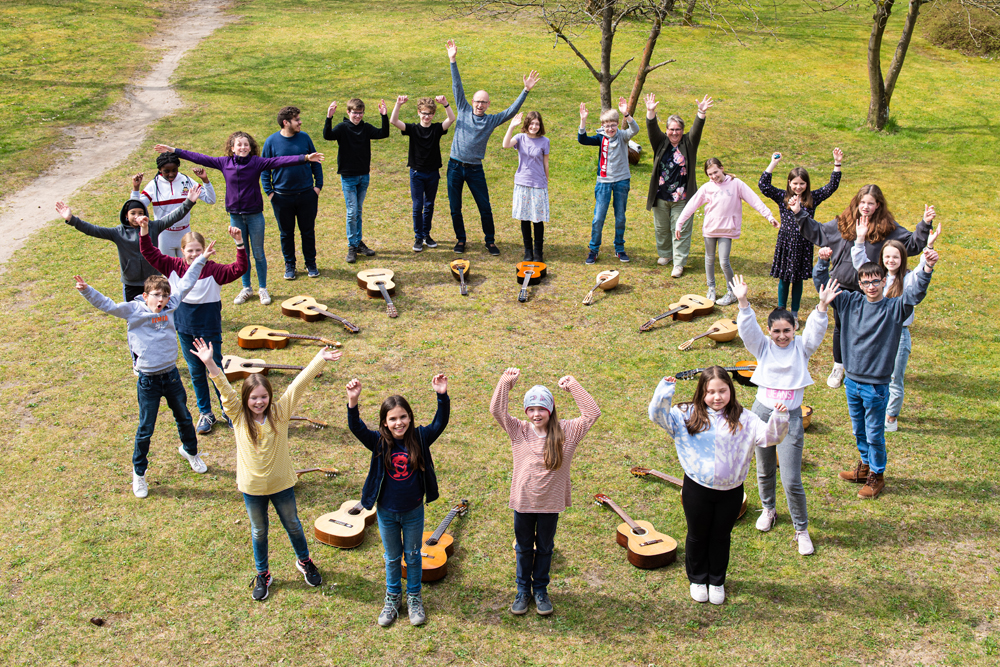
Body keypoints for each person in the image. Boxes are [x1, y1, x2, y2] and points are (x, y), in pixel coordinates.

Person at [802, 189, 941, 498]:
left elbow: (915, 292)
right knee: (859, 430)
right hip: (852, 380)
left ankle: (877, 475)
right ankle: (864, 465)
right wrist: (822, 264)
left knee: (876, 433)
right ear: (860, 283)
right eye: (865, 281)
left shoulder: (895, 307)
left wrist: (928, 266)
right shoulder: (850, 301)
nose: (870, 285)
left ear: (884, 281)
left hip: (876, 385)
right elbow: (825, 287)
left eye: (876, 281)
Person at [195, 339, 342, 601]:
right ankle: (263, 574)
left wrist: (319, 359)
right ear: (245, 399)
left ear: (270, 397)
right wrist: (209, 363)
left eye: (264, 397)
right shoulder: (238, 415)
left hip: (282, 484)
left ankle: (304, 561)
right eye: (254, 398)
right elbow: (224, 389)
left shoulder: (280, 412)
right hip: (252, 489)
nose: (259, 402)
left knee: (294, 526)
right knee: (259, 531)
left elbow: (297, 386)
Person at [74, 246, 211, 499]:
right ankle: (139, 474)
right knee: (146, 428)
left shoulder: (171, 303)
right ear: (145, 295)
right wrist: (87, 291)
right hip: (148, 380)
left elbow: (187, 283)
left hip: (171, 375)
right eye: (157, 295)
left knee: (184, 418)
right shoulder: (133, 311)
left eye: (165, 296)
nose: (162, 300)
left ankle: (190, 451)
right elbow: (107, 305)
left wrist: (201, 259)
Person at [649, 368, 788, 605]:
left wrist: (779, 417)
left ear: (731, 391)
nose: (717, 397)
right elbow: (657, 416)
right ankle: (697, 579)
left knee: (721, 536)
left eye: (722, 391)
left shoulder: (746, 418)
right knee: (697, 535)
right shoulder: (685, 414)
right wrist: (665, 390)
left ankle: (716, 581)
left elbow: (770, 438)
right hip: (697, 488)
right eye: (710, 392)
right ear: (701, 393)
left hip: (731, 491)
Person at [732, 274, 838, 555]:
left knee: (791, 478)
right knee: (764, 469)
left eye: (786, 331)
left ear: (795, 329)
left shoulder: (802, 347)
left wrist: (822, 308)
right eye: (776, 331)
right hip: (763, 413)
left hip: (790, 417)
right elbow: (748, 331)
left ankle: (801, 529)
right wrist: (743, 301)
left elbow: (816, 332)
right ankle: (769, 510)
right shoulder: (763, 347)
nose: (781, 336)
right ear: (769, 331)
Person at [152, 135, 324, 306]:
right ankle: (246, 288)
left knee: (258, 253)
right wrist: (174, 150)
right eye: (239, 145)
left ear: (250, 147)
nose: (243, 147)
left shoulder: (257, 162)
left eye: (246, 145)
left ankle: (262, 288)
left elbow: (281, 161)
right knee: (243, 253)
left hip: (255, 215)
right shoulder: (224, 163)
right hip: (235, 216)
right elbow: (199, 157)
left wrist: (306, 157)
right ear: (232, 148)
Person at [795, 185, 933, 388]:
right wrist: (799, 214)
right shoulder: (844, 223)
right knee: (841, 327)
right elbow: (818, 231)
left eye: (870, 203)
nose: (866, 207)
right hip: (840, 286)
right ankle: (839, 365)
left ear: (878, 205)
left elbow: (911, 244)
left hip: (868, 288)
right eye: (862, 203)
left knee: (863, 329)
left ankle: (865, 366)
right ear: (856, 203)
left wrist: (925, 224)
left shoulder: (888, 228)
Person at [490, 368, 600, 616]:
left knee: (545, 548)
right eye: (531, 409)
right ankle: (522, 590)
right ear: (526, 411)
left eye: (541, 409)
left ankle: (540, 590)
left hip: (551, 504)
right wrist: (505, 383)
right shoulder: (519, 431)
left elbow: (592, 413)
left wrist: (573, 385)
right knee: (523, 547)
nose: (536, 414)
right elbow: (497, 410)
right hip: (524, 503)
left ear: (550, 410)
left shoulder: (567, 432)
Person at [346, 374, 450, 627]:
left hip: (413, 511)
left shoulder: (420, 438)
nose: (399, 422)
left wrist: (442, 395)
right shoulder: (379, 442)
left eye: (403, 417)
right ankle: (393, 598)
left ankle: (414, 597)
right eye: (392, 419)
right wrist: (353, 400)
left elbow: (440, 423)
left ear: (411, 418)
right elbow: (356, 428)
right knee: (392, 558)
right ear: (384, 422)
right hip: (387, 513)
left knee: (413, 556)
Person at [139, 220, 247, 435]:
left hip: (208, 328)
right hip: (184, 328)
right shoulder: (172, 266)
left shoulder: (213, 269)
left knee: (215, 369)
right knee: (196, 372)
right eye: (190, 251)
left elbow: (239, 268)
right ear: (182, 251)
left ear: (205, 250)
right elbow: (149, 252)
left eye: (199, 250)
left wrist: (239, 244)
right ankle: (205, 412)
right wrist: (143, 231)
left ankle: (229, 410)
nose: (194, 254)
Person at [445, 38, 540, 256]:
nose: (479, 105)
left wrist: (525, 91)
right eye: (477, 101)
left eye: (484, 102)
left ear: (488, 105)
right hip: (454, 167)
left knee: (485, 207)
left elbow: (509, 111)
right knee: (454, 208)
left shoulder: (490, 120)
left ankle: (490, 241)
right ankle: (460, 240)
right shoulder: (463, 108)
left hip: (475, 169)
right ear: (472, 101)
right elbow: (456, 85)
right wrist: (452, 60)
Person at [849, 223, 942, 433]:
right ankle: (876, 409)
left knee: (894, 377)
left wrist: (928, 248)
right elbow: (859, 262)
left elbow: (921, 275)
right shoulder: (876, 278)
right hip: (877, 334)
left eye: (896, 257)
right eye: (887, 257)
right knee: (874, 374)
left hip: (898, 334)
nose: (891, 261)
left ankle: (890, 416)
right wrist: (860, 239)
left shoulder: (907, 278)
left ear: (902, 260)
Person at [57, 185, 204, 304]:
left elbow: (175, 216)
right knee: (134, 316)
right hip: (131, 283)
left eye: (140, 212)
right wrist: (71, 219)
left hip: (153, 280)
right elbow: (93, 230)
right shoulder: (117, 232)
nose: (137, 216)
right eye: (133, 213)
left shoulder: (153, 227)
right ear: (126, 216)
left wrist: (189, 202)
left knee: (154, 313)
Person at [675, 158, 779, 305]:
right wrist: (679, 223)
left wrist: (769, 216)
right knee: (709, 259)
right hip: (710, 229)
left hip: (727, 230)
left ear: (722, 168)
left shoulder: (736, 184)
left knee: (724, 262)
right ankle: (711, 288)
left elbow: (754, 200)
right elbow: (691, 205)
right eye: (709, 174)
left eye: (715, 172)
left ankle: (732, 292)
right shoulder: (707, 188)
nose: (713, 176)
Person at [759, 148, 843, 327]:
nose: (798, 187)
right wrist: (773, 163)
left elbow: (831, 187)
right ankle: (782, 311)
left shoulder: (812, 198)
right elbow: (764, 186)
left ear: (807, 184)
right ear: (789, 183)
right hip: (786, 243)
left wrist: (837, 164)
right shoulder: (783, 196)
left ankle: (794, 314)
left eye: (802, 184)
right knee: (784, 278)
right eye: (795, 183)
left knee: (797, 279)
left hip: (804, 243)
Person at [644, 92, 713, 277]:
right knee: (661, 228)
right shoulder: (660, 142)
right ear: (666, 130)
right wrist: (650, 111)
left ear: (682, 131)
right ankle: (666, 254)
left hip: (683, 197)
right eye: (671, 129)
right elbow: (651, 129)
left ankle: (679, 262)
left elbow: (697, 129)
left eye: (678, 129)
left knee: (680, 228)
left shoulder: (689, 143)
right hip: (660, 196)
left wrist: (701, 112)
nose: (675, 133)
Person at [323, 97, 389, 263]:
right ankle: (352, 246)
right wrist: (329, 117)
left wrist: (384, 116)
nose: (357, 116)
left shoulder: (366, 128)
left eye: (360, 113)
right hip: (348, 176)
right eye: (354, 113)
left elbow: (383, 133)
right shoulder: (343, 128)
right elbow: (328, 136)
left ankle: (358, 243)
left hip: (363, 175)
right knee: (352, 211)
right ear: (348, 112)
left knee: (358, 210)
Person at [261, 105, 324, 280]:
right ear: (285, 122)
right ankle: (290, 265)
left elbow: (316, 161)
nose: (300, 122)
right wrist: (270, 193)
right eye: (297, 119)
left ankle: (310, 263)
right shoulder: (271, 142)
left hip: (306, 196)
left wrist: (317, 187)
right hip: (282, 198)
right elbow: (264, 169)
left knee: (308, 231)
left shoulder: (304, 138)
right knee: (286, 233)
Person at [389, 94, 456, 252]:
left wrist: (446, 104)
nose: (427, 116)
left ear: (433, 114)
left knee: (429, 205)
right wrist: (398, 104)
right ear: (419, 113)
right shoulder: (412, 129)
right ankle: (418, 237)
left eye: (430, 114)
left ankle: (427, 235)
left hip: (432, 173)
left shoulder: (436, 129)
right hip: (417, 173)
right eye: (424, 113)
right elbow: (394, 121)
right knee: (417, 205)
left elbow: (451, 119)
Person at [578, 97, 640, 264]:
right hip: (603, 182)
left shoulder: (623, 136)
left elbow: (635, 129)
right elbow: (582, 140)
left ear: (617, 124)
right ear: (602, 126)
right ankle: (594, 249)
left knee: (620, 217)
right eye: (607, 125)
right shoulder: (600, 138)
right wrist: (583, 121)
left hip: (622, 181)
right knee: (599, 217)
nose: (610, 128)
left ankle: (619, 248)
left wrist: (626, 114)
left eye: (613, 125)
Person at [130, 154, 216, 258]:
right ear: (160, 169)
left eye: (174, 170)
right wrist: (135, 188)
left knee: (188, 270)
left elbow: (210, 200)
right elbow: (134, 207)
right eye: (166, 171)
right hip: (164, 234)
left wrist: (205, 180)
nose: (171, 174)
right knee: (166, 271)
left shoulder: (186, 181)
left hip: (184, 233)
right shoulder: (154, 185)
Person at [501, 111, 550, 261]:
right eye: (531, 123)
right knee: (525, 218)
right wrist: (511, 126)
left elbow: (545, 162)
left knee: (537, 219)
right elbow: (505, 145)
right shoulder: (520, 138)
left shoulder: (544, 141)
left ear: (540, 125)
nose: (534, 126)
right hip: (522, 182)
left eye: (537, 123)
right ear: (527, 124)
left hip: (538, 184)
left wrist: (546, 181)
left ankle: (538, 252)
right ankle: (528, 251)